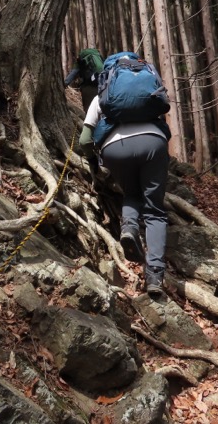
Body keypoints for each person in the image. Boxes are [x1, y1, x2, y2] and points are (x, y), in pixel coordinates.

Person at [79, 92, 171, 297]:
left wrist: (93, 162)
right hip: (153, 143)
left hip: (115, 149)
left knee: (131, 193)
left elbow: (85, 139)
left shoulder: (101, 97)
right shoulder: (149, 93)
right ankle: (155, 275)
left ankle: (129, 228)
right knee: (154, 210)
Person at [64, 48, 103, 112]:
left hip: (88, 87)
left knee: (89, 110)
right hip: (101, 86)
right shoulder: (99, 59)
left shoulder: (80, 62)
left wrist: (63, 85)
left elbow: (72, 74)